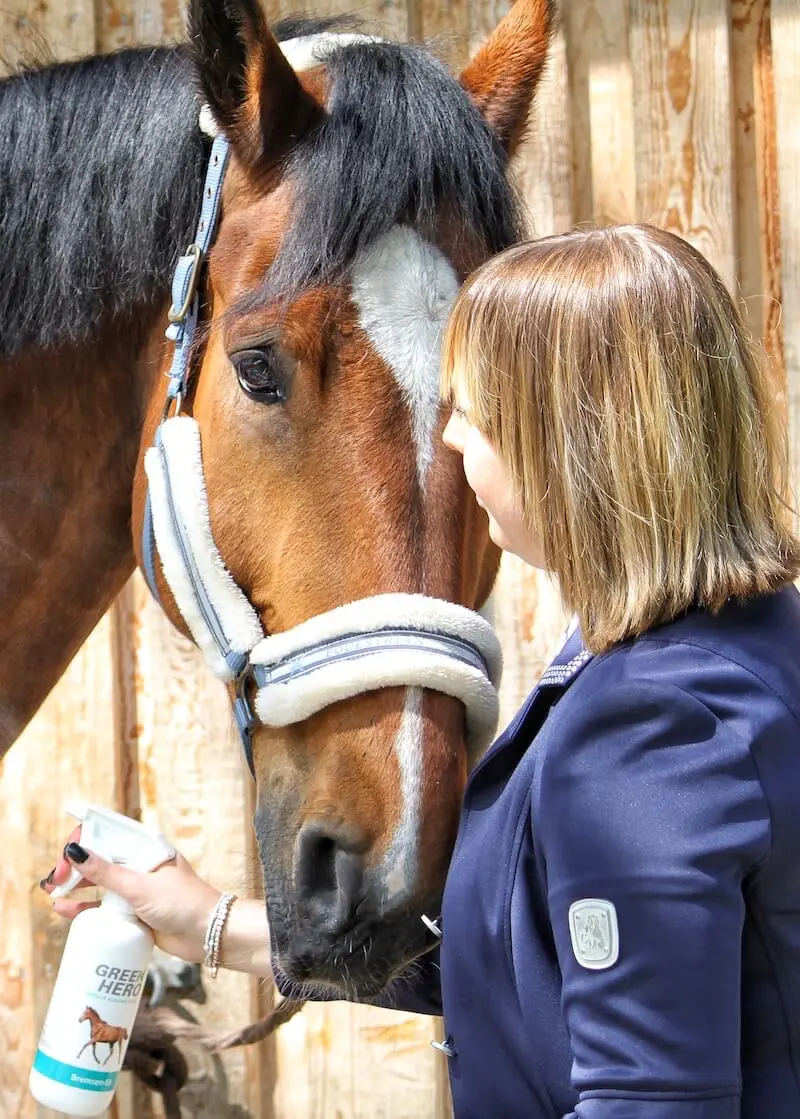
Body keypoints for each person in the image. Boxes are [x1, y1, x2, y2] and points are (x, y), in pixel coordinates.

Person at [43, 224, 800, 1117]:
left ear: (570, 444)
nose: (449, 442)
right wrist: (210, 921)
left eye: (472, 410)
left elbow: (650, 1098)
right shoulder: (742, 644)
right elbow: (530, 956)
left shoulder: (650, 730)